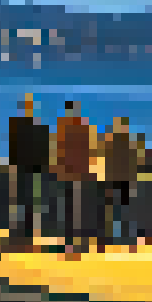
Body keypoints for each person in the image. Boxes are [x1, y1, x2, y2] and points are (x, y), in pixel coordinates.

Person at [7, 94, 52, 250]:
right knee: (20, 202)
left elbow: (43, 151)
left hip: (32, 171)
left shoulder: (38, 128)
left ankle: (27, 235)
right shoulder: (18, 126)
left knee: (30, 203)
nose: (28, 108)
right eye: (26, 105)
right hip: (22, 170)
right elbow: (14, 149)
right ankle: (19, 234)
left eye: (30, 105)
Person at [53, 101, 95, 260]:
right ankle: (76, 244)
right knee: (76, 210)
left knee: (70, 210)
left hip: (69, 173)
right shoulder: (81, 126)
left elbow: (59, 149)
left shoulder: (63, 126)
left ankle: (71, 245)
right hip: (77, 173)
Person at [100, 115, 142, 251]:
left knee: (118, 211)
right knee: (120, 211)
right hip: (121, 181)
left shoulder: (113, 143)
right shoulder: (127, 144)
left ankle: (120, 239)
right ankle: (124, 240)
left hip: (119, 181)